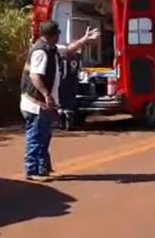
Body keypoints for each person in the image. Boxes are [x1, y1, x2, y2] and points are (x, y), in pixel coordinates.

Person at [21, 21, 99, 181]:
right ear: (51, 35)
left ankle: (43, 169)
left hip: (43, 103)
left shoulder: (51, 49)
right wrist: (46, 94)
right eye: (58, 34)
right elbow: (35, 76)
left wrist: (85, 39)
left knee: (44, 137)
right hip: (36, 103)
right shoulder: (41, 52)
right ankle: (32, 170)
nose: (59, 37)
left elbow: (69, 50)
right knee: (36, 137)